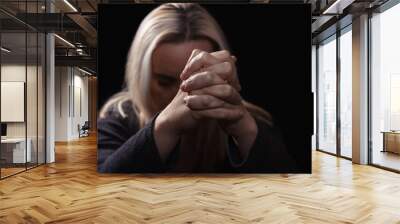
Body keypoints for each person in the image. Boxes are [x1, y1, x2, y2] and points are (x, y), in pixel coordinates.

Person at [97, 3, 296, 173]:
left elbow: (289, 193)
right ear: (142, 76)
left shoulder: (253, 121)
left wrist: (245, 130)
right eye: (165, 82)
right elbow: (100, 192)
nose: (182, 97)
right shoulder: (118, 118)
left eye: (199, 79)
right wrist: (165, 126)